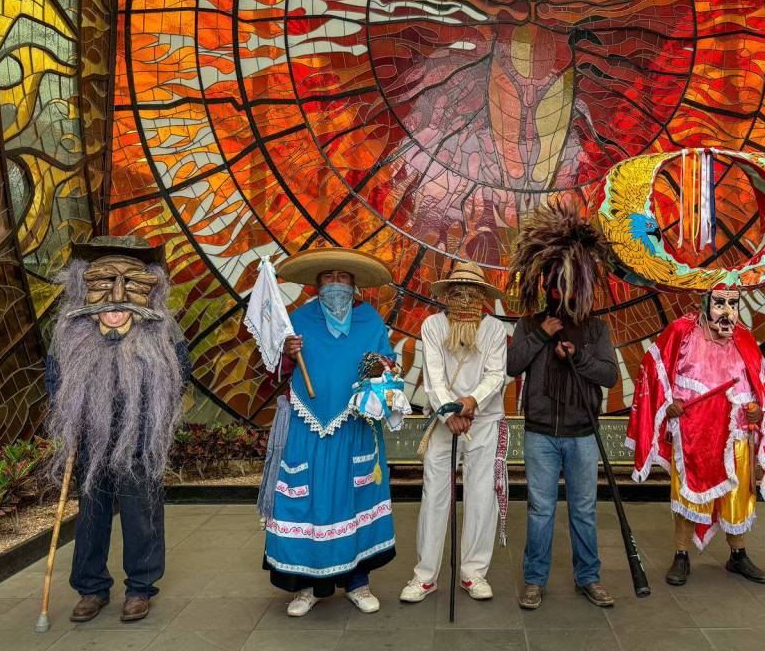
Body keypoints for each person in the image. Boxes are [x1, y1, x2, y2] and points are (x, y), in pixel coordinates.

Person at [46, 235, 190, 623]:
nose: (116, 301)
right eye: (103, 284)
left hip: (141, 438)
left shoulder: (164, 334)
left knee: (140, 512)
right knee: (91, 512)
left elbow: (182, 377)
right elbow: (54, 381)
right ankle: (91, 588)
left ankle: (140, 588)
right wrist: (70, 412)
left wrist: (155, 414)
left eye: (131, 284)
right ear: (85, 288)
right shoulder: (69, 336)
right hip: (89, 439)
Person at [263, 247, 398, 616]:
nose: (335, 284)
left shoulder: (370, 320)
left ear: (354, 285)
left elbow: (387, 363)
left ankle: (358, 582)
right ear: (316, 284)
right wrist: (287, 352)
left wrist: (381, 368)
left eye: (343, 277)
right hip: (307, 429)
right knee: (306, 501)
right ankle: (305, 585)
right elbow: (273, 368)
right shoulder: (298, 321)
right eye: (328, 277)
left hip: (354, 428)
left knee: (355, 500)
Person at [505, 202, 619, 610]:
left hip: (583, 435)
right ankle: (535, 580)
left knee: (584, 510)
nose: (560, 291)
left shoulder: (595, 328)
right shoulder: (529, 324)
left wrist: (579, 357)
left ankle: (589, 577)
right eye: (554, 283)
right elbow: (512, 366)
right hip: (539, 434)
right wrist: (539, 334)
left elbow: (610, 376)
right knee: (540, 510)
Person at [627, 286, 765, 586]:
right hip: (694, 432)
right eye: (720, 303)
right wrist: (667, 403)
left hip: (737, 432)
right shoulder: (681, 331)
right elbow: (654, 368)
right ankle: (681, 555)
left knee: (738, 495)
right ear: (705, 303)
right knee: (688, 493)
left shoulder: (745, 338)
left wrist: (757, 412)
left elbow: (759, 385)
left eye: (733, 304)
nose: (727, 311)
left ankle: (738, 555)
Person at [400, 262, 508, 603]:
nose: (464, 298)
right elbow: (432, 374)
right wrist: (450, 411)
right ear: (446, 296)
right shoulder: (433, 326)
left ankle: (473, 573)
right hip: (445, 422)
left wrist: (471, 402)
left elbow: (495, 373)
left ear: (482, 296)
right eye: (456, 292)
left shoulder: (493, 330)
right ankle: (425, 575)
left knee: (480, 495)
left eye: (471, 292)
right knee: (435, 494)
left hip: (484, 420)